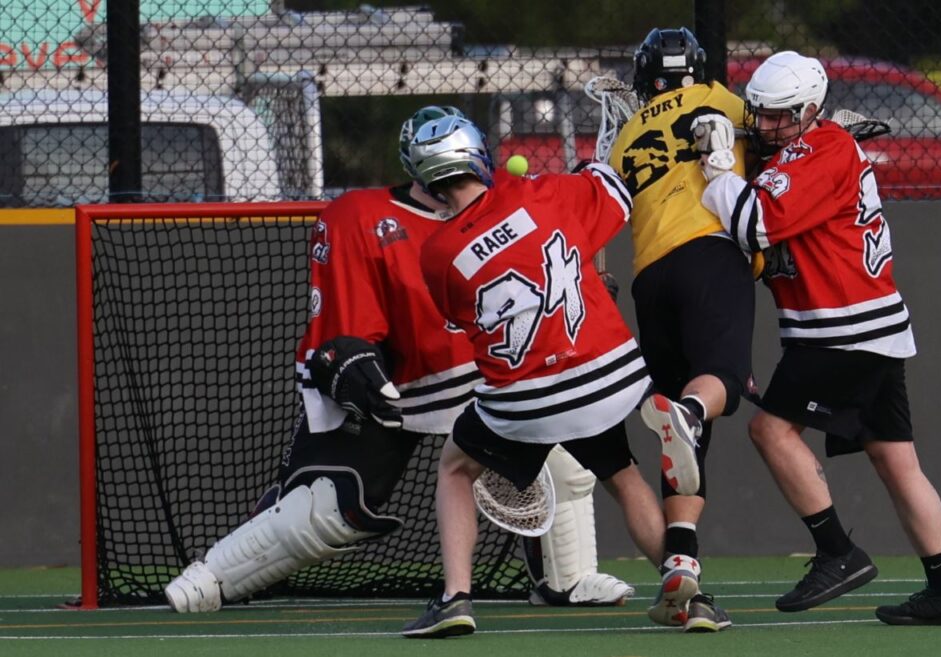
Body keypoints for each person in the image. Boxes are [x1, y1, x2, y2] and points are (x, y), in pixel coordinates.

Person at [162, 105, 635, 613]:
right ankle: (213, 577)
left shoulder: (525, 200)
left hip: (504, 376)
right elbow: (343, 328)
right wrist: (349, 360)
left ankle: (568, 576)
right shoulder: (363, 217)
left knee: (565, 460)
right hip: (409, 382)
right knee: (328, 508)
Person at [697, 50, 941, 626]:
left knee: (770, 430)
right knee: (895, 459)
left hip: (842, 328)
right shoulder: (815, 146)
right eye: (762, 114)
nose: (767, 126)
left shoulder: (822, 149)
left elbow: (753, 222)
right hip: (870, 326)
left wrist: (718, 170)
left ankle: (836, 553)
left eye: (781, 116)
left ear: (810, 110)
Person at [400, 115, 701, 638]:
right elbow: (614, 190)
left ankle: (454, 599)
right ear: (476, 154)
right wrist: (591, 166)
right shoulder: (546, 193)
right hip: (607, 373)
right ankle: (690, 594)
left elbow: (460, 319)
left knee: (455, 468)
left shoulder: (438, 253)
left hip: (524, 397)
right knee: (623, 476)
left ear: (427, 178)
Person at [606, 27, 758, 632]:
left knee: (685, 441)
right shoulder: (723, 101)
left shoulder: (625, 135)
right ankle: (691, 411)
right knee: (718, 383)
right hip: (709, 252)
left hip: (651, 276)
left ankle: (680, 569)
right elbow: (776, 129)